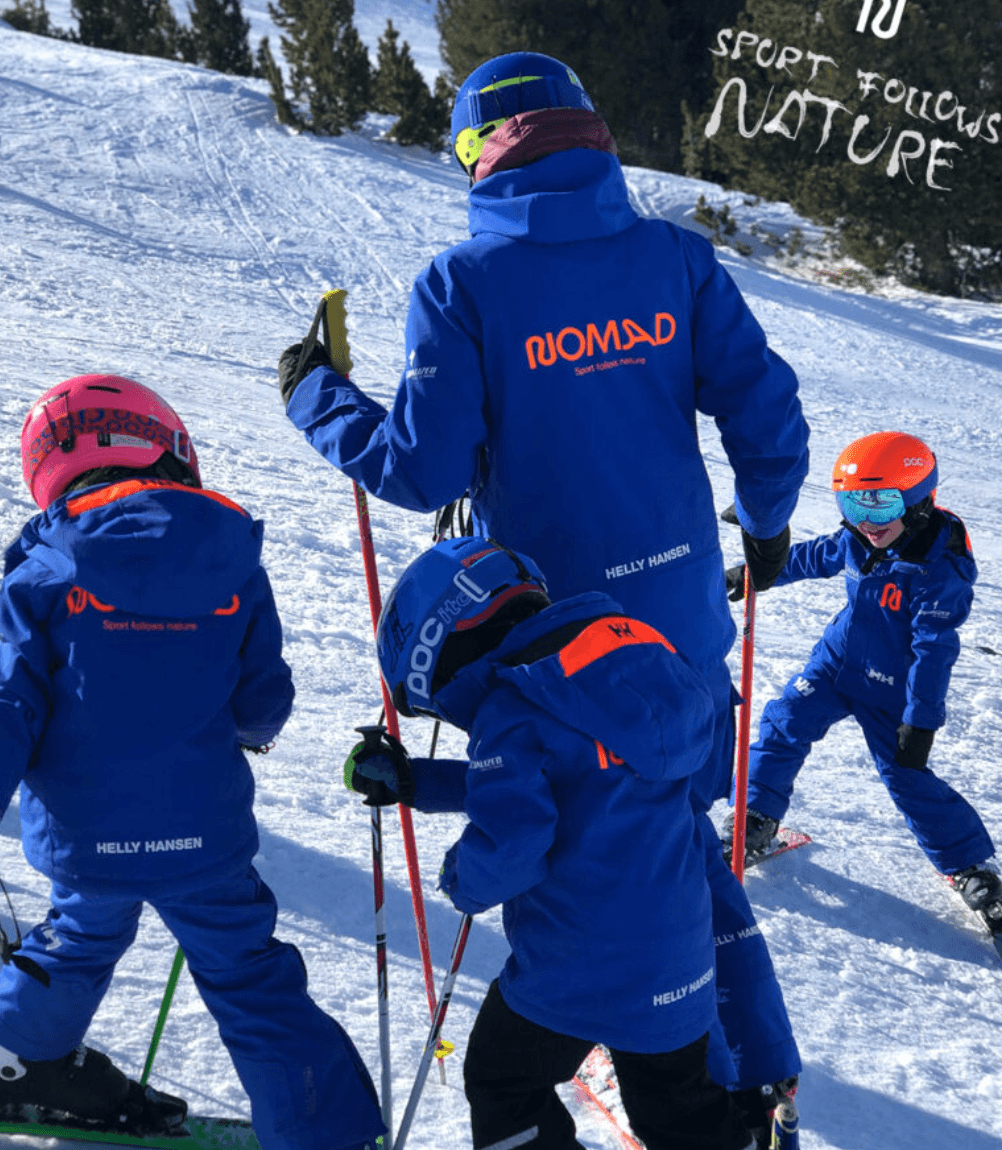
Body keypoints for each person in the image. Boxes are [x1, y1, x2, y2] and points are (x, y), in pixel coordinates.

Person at [279, 49, 808, 1128]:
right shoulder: (673, 257)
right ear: (588, 132)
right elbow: (766, 412)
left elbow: (422, 470)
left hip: (549, 646)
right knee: (677, 838)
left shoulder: (465, 282)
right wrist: (766, 527)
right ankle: (734, 1068)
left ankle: (634, 1025)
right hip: (682, 627)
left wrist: (317, 398)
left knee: (578, 829)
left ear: (479, 155)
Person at [0, 375, 385, 1150]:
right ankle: (326, 1133)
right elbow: (261, 702)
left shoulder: (42, 563)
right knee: (250, 978)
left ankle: (16, 1045)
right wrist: (244, 728)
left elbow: (11, 702)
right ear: (167, 444)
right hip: (202, 839)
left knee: (77, 941)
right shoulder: (229, 552)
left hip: (84, 838)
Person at [342, 535, 755, 1150]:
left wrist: (462, 878)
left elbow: (514, 844)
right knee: (677, 1110)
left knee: (502, 1080)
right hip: (680, 956)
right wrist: (416, 782)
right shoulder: (625, 665)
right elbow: (567, 780)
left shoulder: (512, 709)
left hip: (578, 966)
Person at [722, 431, 1001, 926]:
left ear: (918, 499)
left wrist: (921, 722)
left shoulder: (940, 571)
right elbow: (811, 556)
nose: (866, 522)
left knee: (906, 776)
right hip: (836, 663)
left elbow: (933, 652)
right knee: (784, 722)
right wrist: (753, 573)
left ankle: (970, 867)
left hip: (892, 689)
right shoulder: (857, 537)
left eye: (880, 505)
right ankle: (756, 819)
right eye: (853, 505)